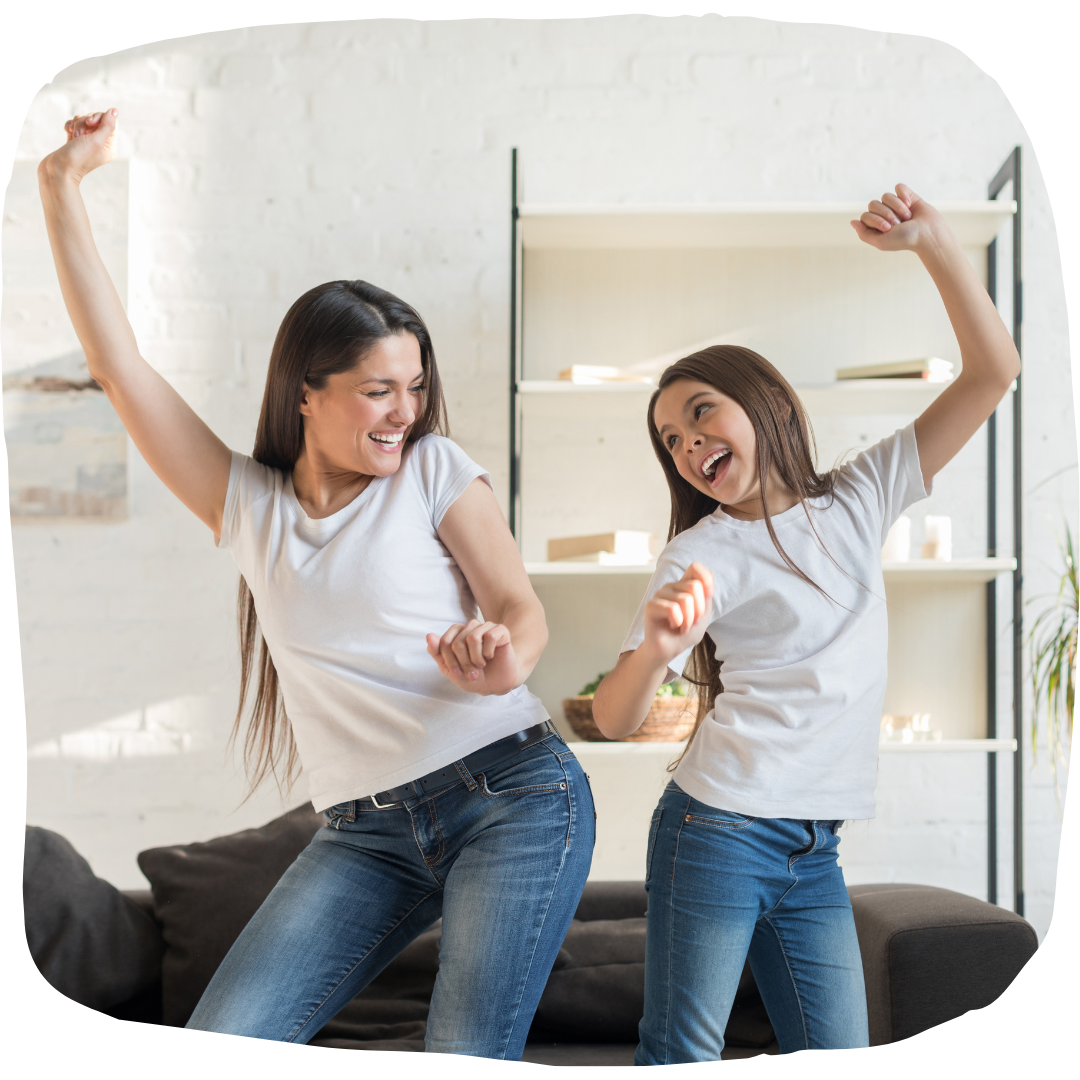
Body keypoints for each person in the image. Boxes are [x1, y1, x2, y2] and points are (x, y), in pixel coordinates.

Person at [37, 109, 594, 1057]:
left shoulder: (432, 468)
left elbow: (517, 607)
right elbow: (118, 368)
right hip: (365, 833)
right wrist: (61, 184)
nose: (404, 412)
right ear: (307, 391)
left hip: (513, 795)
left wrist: (505, 659)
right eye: (379, 389)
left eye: (414, 387)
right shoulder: (249, 508)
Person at [592, 184, 1021, 1063]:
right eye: (669, 439)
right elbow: (613, 718)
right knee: (681, 1049)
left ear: (767, 401)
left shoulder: (862, 496)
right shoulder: (697, 556)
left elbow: (993, 374)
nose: (687, 445)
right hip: (717, 827)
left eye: (700, 412)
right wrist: (662, 652)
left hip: (813, 848)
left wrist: (934, 244)